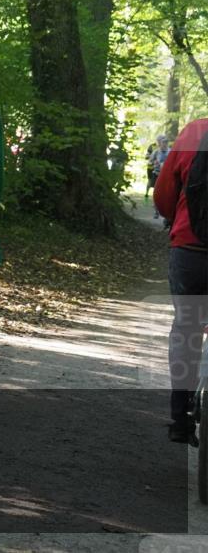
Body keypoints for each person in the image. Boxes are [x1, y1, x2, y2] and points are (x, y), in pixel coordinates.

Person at [154, 118, 208, 444]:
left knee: (186, 329)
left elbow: (163, 194)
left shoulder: (195, 132)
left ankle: (181, 416)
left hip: (190, 250)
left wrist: (178, 218)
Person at [150, 135, 170, 218]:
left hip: (167, 175)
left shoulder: (170, 151)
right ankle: (156, 211)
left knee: (167, 193)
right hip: (157, 174)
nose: (165, 144)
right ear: (160, 143)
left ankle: (166, 214)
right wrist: (155, 163)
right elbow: (150, 162)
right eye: (163, 143)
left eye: (166, 142)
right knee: (156, 193)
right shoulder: (156, 152)